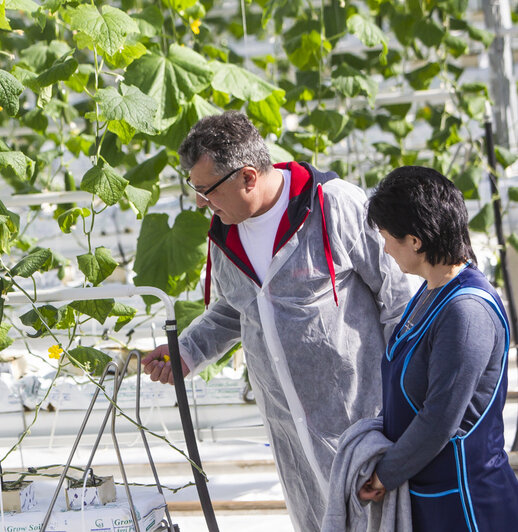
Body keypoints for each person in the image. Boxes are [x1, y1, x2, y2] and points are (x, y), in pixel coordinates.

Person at [141, 111, 412, 531]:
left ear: (248, 177)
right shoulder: (226, 233)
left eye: (205, 190)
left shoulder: (332, 205)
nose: (199, 202)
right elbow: (237, 308)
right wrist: (188, 352)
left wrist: (404, 407)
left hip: (360, 420)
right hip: (288, 429)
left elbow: (398, 298)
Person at [357, 166, 518, 530]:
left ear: (415, 240)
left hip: (467, 503)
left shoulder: (466, 311)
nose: (384, 248)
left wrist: (384, 474)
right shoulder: (430, 293)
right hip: (430, 491)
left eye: (386, 237)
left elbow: (440, 418)